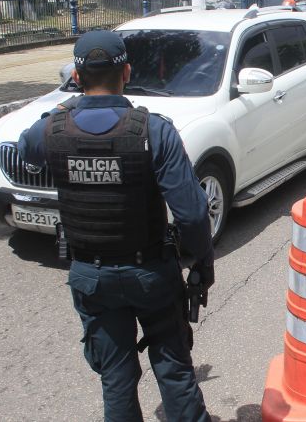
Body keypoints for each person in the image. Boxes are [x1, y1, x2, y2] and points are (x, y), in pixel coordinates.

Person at [18, 31, 214, 422]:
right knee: (173, 369)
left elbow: (26, 149)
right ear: (126, 71)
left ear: (76, 76)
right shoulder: (153, 131)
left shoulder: (51, 130)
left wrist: (70, 108)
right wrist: (202, 266)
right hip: (152, 275)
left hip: (92, 276)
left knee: (117, 376)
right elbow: (192, 214)